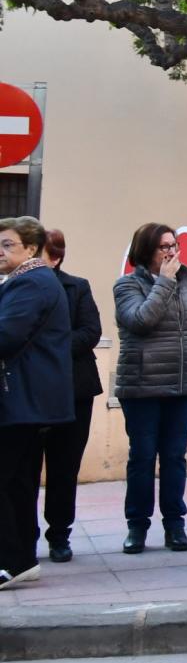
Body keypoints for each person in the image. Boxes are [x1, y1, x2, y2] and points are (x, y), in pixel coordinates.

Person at [112, 222, 187, 555]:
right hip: (143, 383)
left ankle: (175, 525)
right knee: (142, 457)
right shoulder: (127, 285)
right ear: (146, 251)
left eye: (174, 246)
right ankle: (137, 526)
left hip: (183, 381)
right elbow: (141, 321)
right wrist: (165, 281)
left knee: (174, 457)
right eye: (163, 247)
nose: (171, 252)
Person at [0, 217, 73, 590]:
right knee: (17, 482)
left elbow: (6, 334)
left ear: (30, 248)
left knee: (9, 481)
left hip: (21, 397)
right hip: (27, 399)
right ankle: (20, 560)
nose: (0, 252)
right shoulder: (33, 280)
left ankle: (11, 560)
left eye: (7, 244)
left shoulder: (30, 282)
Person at [39, 229, 101, 565]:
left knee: (64, 467)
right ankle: (22, 538)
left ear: (55, 257)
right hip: (29, 392)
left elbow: (90, 331)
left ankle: (59, 534)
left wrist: (49, 349)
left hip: (73, 390)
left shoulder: (77, 287)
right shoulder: (12, 288)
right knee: (22, 469)